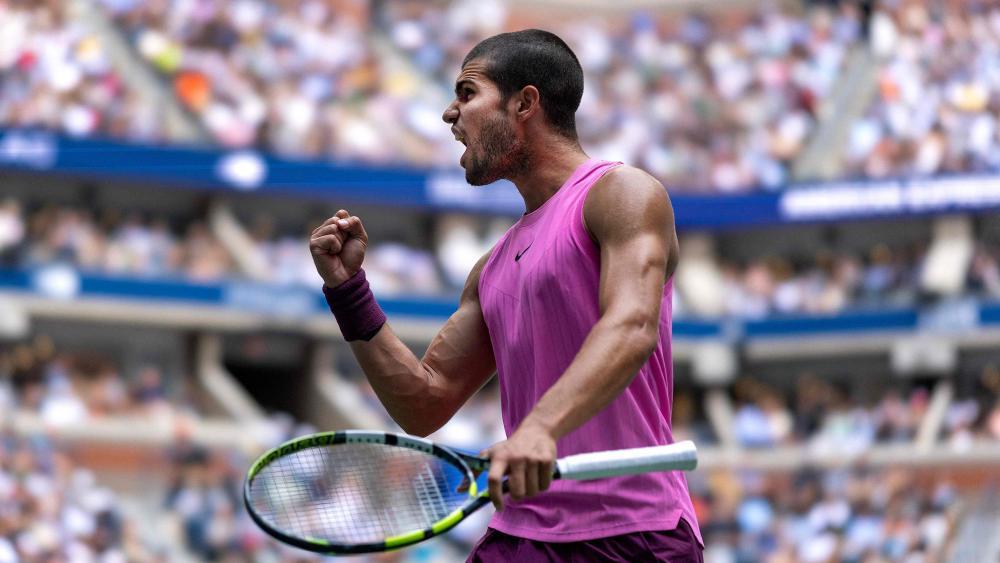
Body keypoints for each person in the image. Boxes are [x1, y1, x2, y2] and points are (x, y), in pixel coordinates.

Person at [309, 29, 702, 562]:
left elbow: (633, 326)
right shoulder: (491, 268)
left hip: (636, 532)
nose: (450, 114)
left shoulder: (623, 193)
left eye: (467, 93)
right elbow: (425, 401)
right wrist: (347, 291)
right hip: (523, 536)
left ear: (525, 103)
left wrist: (539, 429)